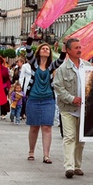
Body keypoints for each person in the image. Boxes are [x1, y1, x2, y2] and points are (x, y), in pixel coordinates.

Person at [24, 26, 67, 164]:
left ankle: (46, 155)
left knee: (47, 127)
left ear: (49, 53)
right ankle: (31, 151)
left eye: (47, 49)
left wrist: (65, 44)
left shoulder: (51, 67)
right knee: (34, 127)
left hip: (48, 100)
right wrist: (32, 34)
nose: (45, 50)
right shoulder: (34, 65)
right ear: (39, 51)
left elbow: (61, 59)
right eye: (43, 48)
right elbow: (28, 49)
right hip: (34, 99)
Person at [52, 38, 90, 179]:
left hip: (84, 110)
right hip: (68, 108)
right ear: (68, 50)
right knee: (69, 137)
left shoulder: (86, 66)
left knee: (81, 139)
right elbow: (58, 87)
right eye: (76, 48)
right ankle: (69, 166)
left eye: (80, 47)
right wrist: (71, 98)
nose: (79, 50)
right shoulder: (62, 68)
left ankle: (77, 165)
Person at [17, 55, 32, 120]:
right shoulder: (25, 66)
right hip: (26, 83)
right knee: (25, 100)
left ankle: (30, 114)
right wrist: (20, 85)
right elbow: (22, 76)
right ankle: (22, 113)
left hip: (34, 84)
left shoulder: (36, 65)